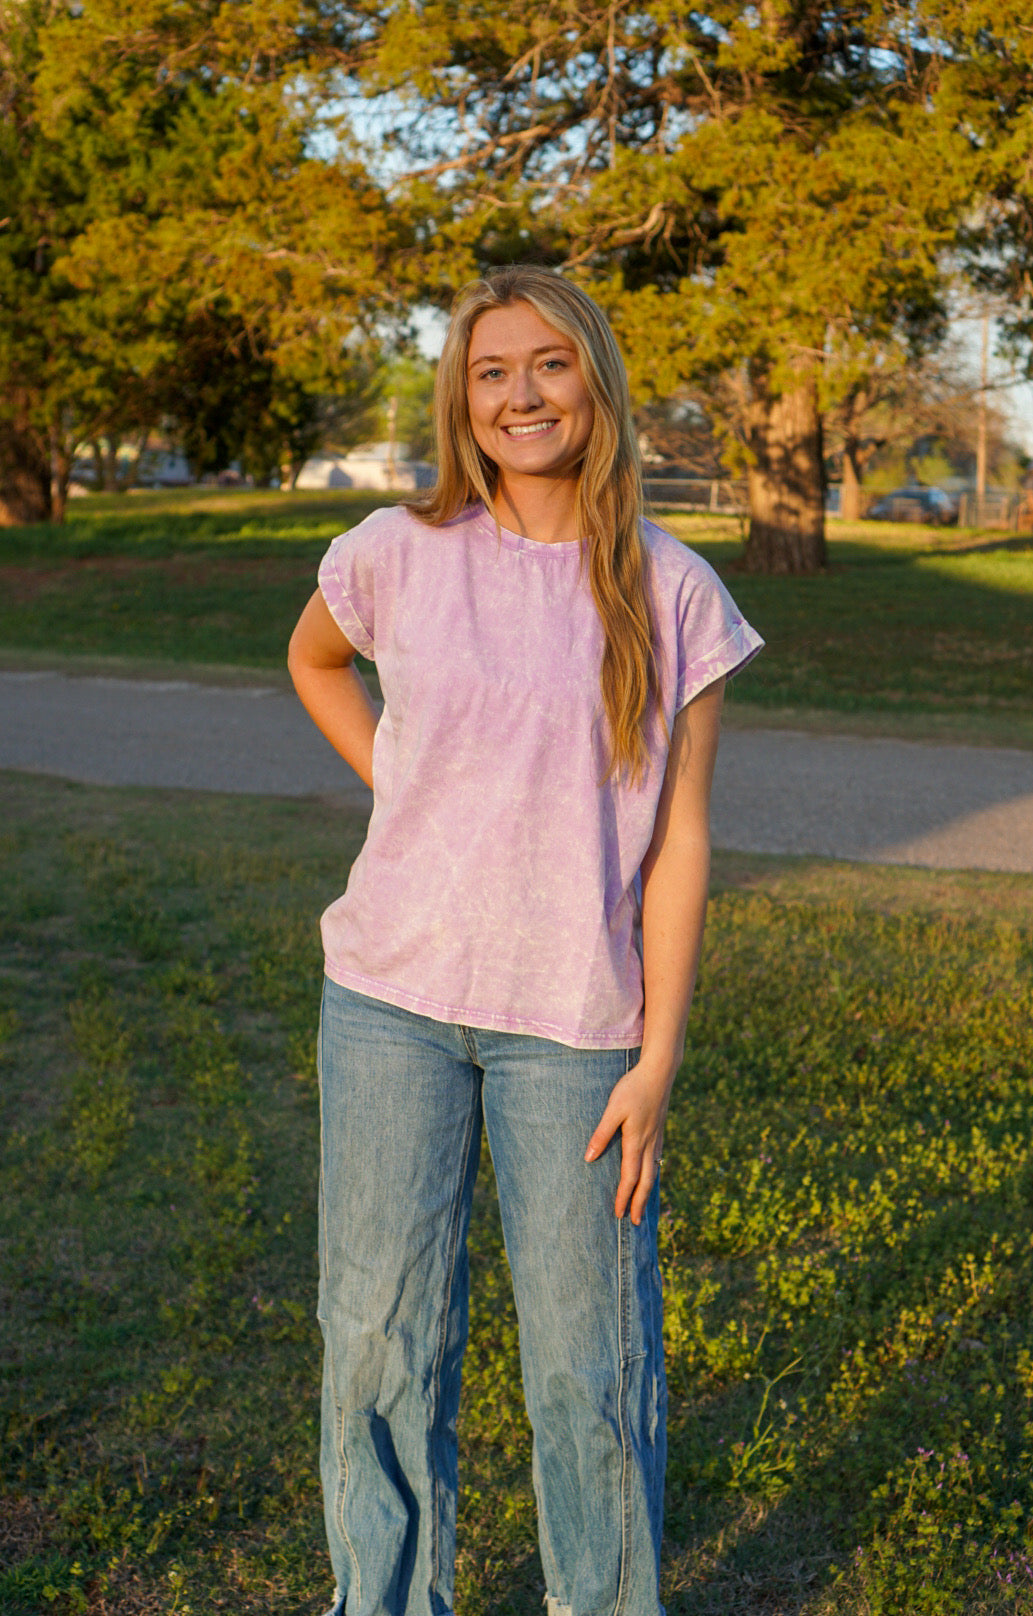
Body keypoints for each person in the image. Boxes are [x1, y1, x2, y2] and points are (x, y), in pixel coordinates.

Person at [287, 265, 762, 1616]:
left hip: (576, 1027)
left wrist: (657, 1060)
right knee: (378, 1343)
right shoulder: (396, 548)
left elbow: (680, 843)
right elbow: (315, 659)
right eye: (491, 372)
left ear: (594, 382)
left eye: (548, 364)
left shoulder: (673, 589)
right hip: (388, 1002)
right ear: (462, 398)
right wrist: (402, 779)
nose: (520, 395)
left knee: (589, 1364)